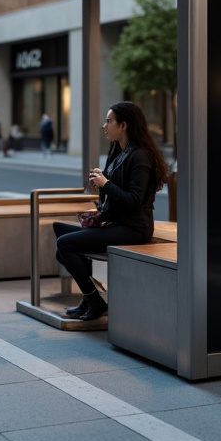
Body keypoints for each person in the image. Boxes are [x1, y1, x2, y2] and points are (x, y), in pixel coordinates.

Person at [52, 101, 169, 326]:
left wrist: (105, 183)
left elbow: (134, 200)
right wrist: (103, 182)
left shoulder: (140, 156)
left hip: (133, 229)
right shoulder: (120, 152)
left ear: (123, 125)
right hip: (116, 223)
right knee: (59, 231)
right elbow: (115, 194)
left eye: (109, 121)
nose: (104, 126)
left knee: (66, 245)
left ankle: (93, 300)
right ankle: (91, 295)